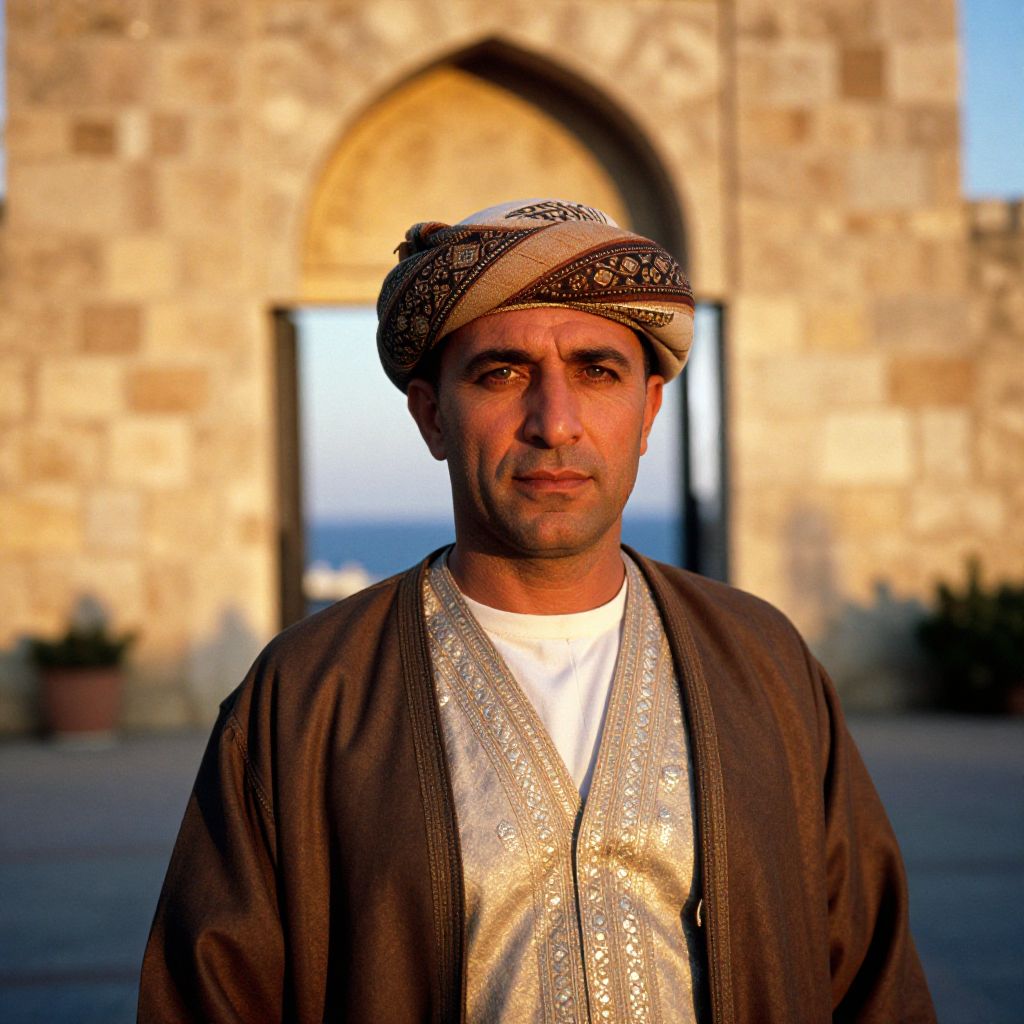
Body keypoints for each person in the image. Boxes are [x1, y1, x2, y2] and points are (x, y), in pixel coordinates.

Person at [139, 199, 936, 1023]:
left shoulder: (763, 664)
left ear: (648, 412)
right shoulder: (310, 696)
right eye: (503, 373)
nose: (554, 423)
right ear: (432, 416)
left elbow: (872, 981)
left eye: (596, 372)